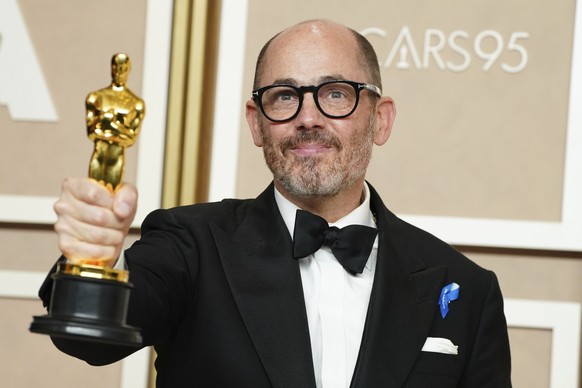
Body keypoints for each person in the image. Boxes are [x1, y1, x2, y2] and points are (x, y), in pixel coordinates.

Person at [40, 19, 512, 387]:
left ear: (381, 119)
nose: (308, 118)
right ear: (256, 123)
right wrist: (92, 259)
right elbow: (88, 340)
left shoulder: (464, 286)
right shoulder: (190, 244)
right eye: (284, 96)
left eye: (335, 94)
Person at [86, 53, 145, 193]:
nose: (119, 72)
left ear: (129, 70)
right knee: (92, 195)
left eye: (123, 68)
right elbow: (92, 132)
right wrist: (119, 132)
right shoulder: (96, 97)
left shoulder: (135, 103)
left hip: (116, 158)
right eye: (116, 67)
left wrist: (109, 124)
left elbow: (131, 139)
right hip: (99, 155)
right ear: (111, 68)